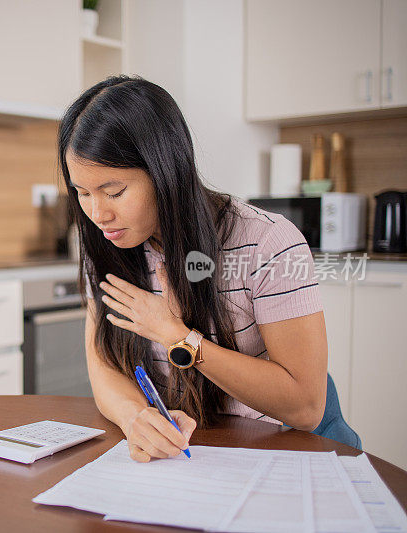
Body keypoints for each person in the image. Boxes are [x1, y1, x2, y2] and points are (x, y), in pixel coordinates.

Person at [60, 76, 328, 463]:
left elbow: (306, 407)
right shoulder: (106, 241)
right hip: (178, 459)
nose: (98, 214)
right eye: (82, 193)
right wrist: (136, 418)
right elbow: (102, 364)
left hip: (267, 452)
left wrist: (177, 337)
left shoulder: (267, 243)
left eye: (114, 192)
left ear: (166, 171)